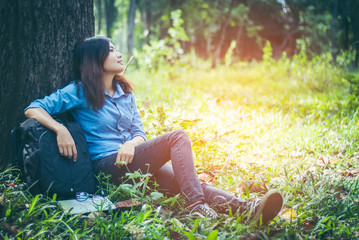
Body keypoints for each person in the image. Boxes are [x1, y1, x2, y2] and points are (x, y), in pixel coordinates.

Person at [24, 36, 283, 223]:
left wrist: (131, 144)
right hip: (107, 167)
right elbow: (34, 108)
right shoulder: (80, 90)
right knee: (178, 137)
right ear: (94, 59)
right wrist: (61, 129)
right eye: (110, 50)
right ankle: (197, 206)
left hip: (134, 160)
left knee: (187, 180)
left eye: (116, 48)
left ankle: (249, 209)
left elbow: (139, 132)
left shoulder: (125, 93)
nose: (119, 54)